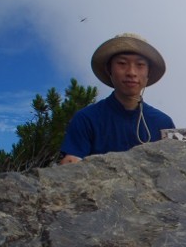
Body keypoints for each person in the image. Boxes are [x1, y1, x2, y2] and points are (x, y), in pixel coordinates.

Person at [59, 33, 175, 165]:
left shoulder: (163, 123)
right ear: (109, 70)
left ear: (148, 73)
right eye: (122, 63)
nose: (131, 72)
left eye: (140, 65)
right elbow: (71, 162)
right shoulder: (87, 119)